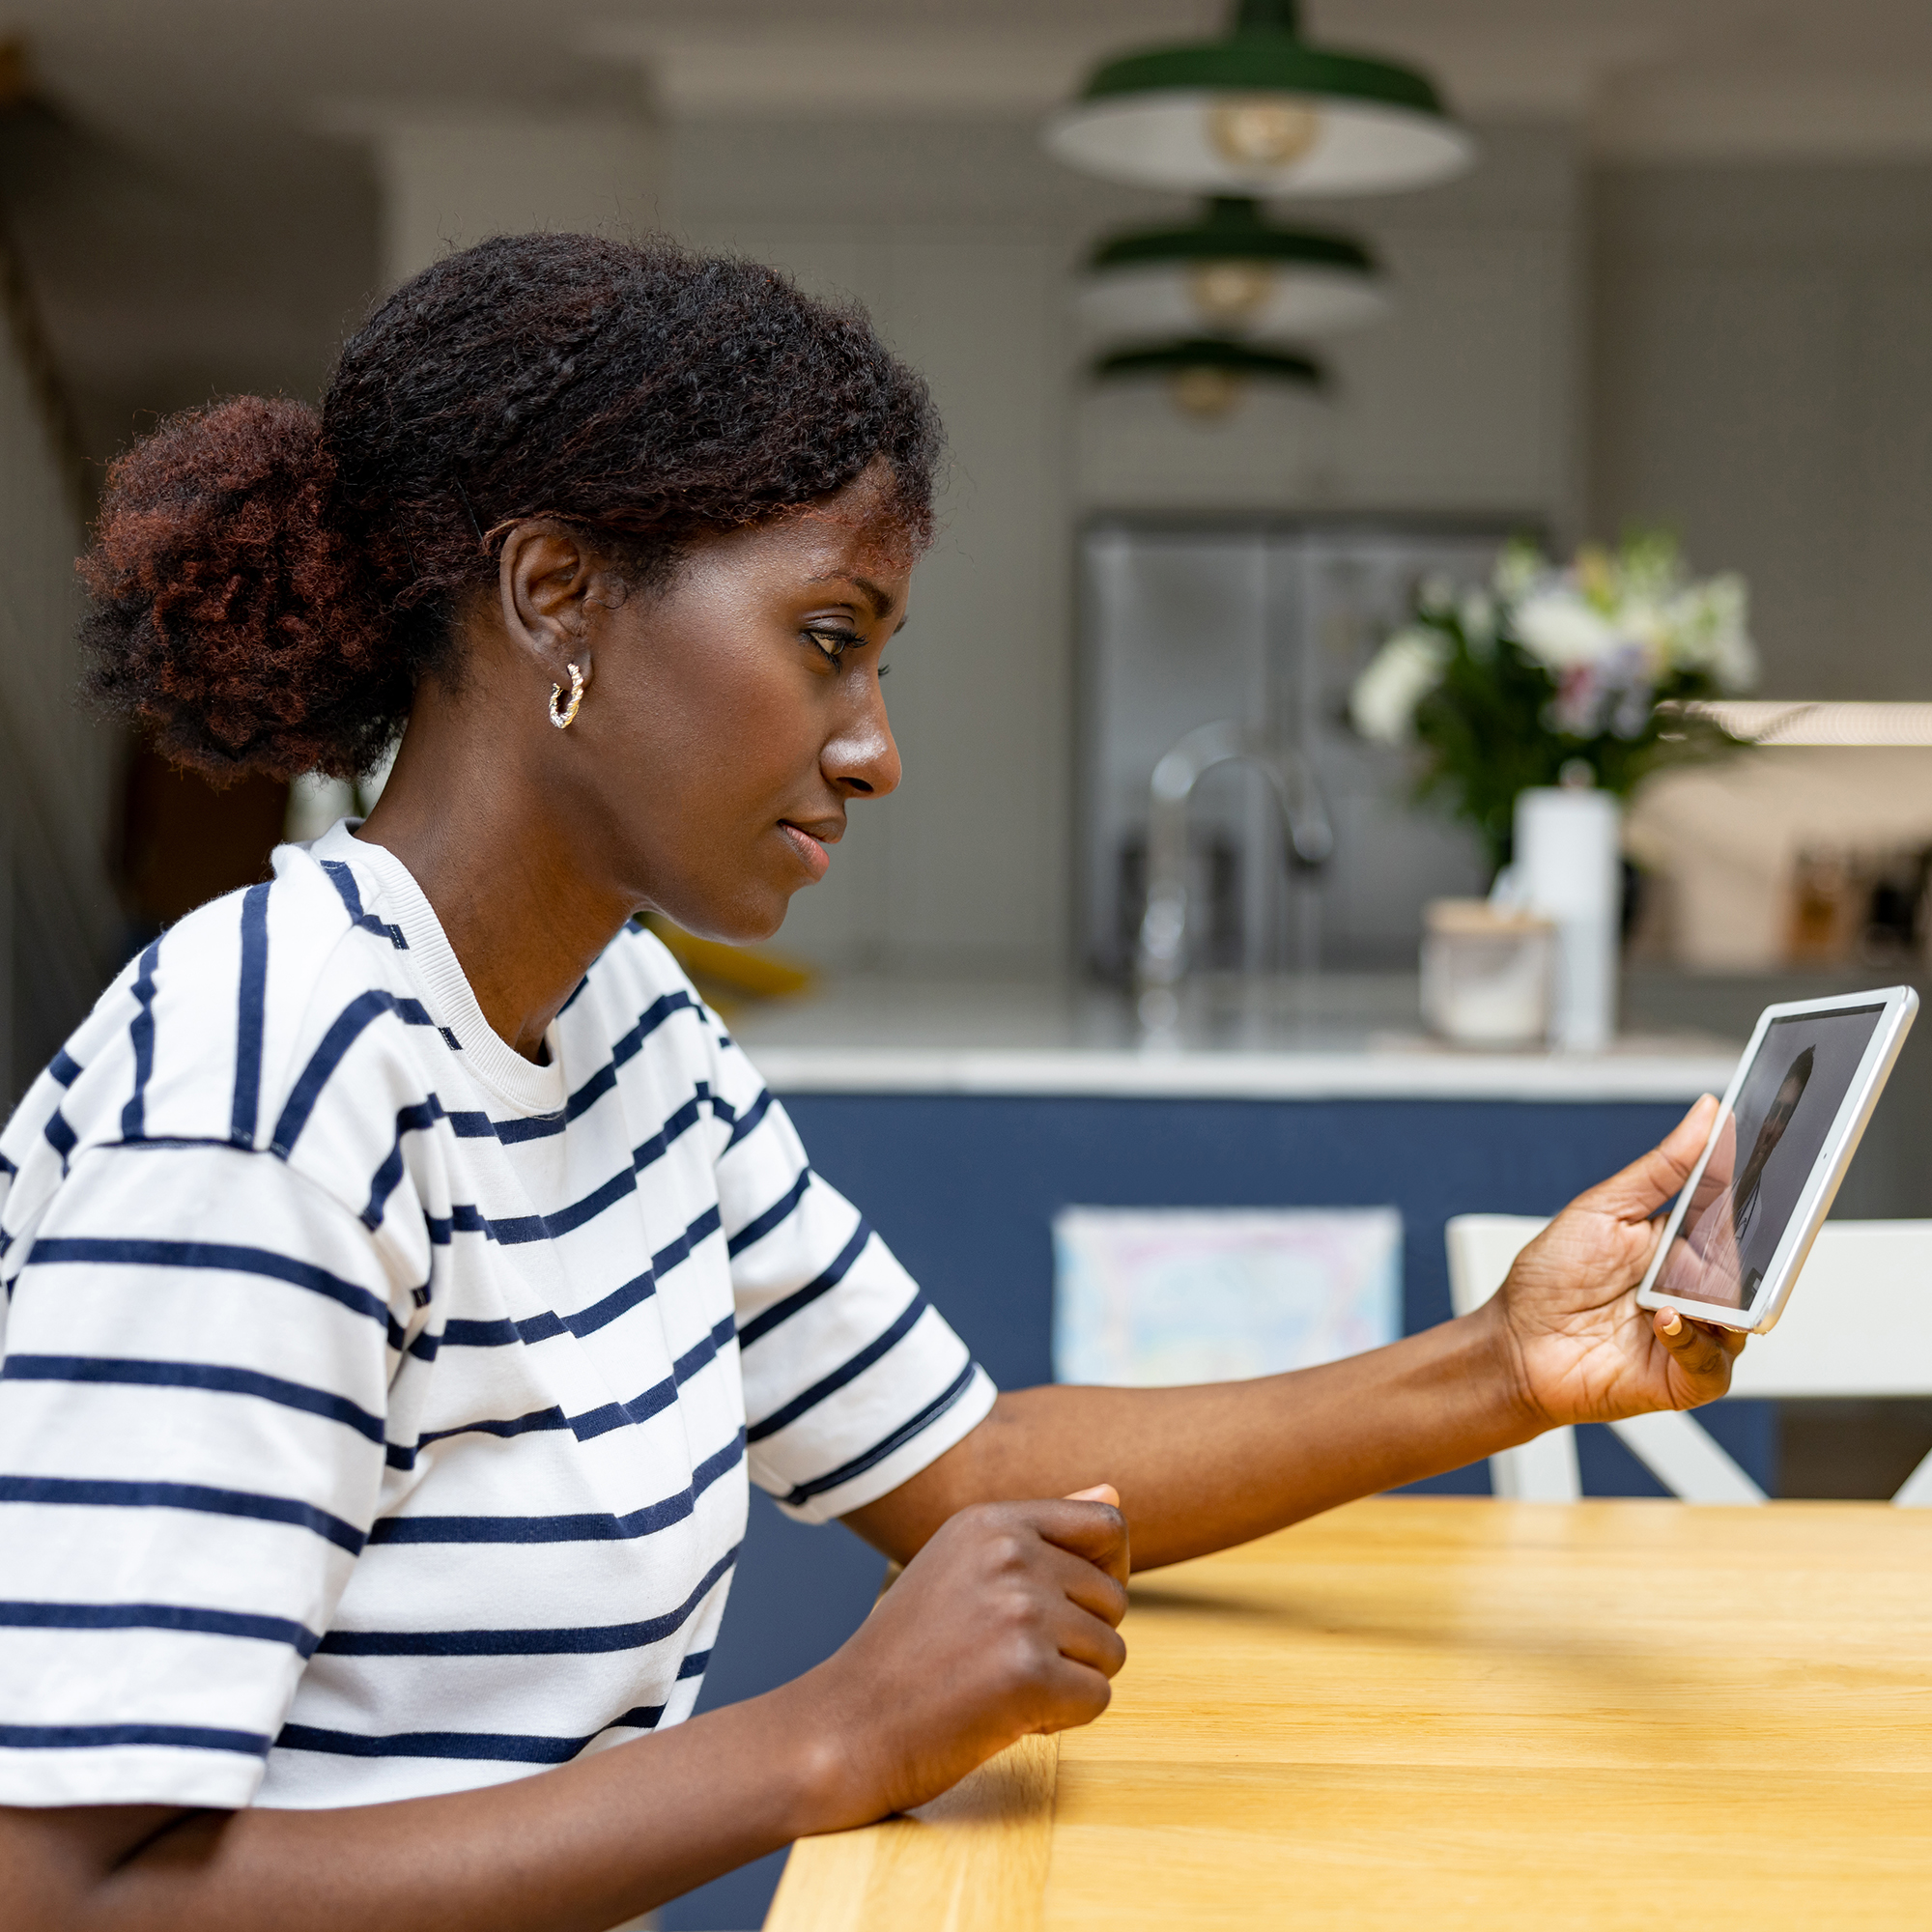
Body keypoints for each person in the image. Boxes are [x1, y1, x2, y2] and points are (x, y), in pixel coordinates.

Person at [0, 235, 1743, 1932]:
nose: (876, 747)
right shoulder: (266, 1099)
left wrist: (1503, 1364)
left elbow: (970, 1462)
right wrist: (825, 1738)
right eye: (829, 636)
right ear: (556, 597)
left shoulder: (626, 1035)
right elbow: (59, 1891)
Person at [1654, 1047, 1814, 1310]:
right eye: (1773, 1110)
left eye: (1784, 1117)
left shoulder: (1764, 1222)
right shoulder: (1712, 1184)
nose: (1772, 1126)